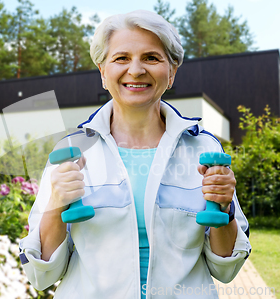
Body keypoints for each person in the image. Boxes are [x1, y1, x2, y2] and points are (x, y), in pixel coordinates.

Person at [19, 9, 251, 299]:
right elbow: (42, 274)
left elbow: (226, 269)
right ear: (103, 72)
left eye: (151, 58)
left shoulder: (205, 150)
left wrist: (225, 208)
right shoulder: (70, 152)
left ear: (172, 72)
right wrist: (55, 204)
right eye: (121, 58)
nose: (136, 70)